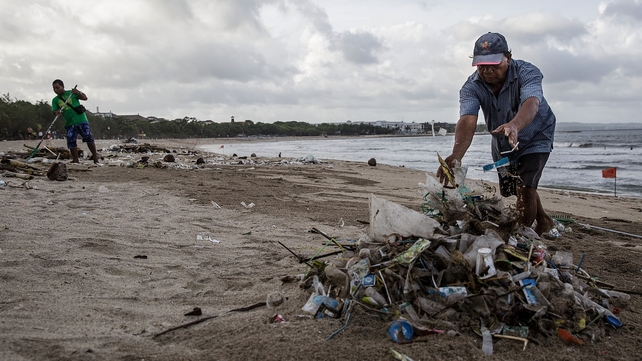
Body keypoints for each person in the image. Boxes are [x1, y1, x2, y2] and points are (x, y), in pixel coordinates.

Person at [437, 32, 556, 236]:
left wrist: (515, 125)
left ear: (507, 58)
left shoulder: (528, 72)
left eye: (494, 64)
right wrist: (456, 155)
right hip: (502, 139)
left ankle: (521, 234)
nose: (488, 70)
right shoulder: (471, 87)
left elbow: (532, 102)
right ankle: (544, 220)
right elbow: (468, 120)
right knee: (514, 184)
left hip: (537, 132)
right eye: (482, 66)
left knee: (525, 185)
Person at [51, 79, 99, 164]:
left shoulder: (72, 93)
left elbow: (85, 98)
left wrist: (78, 92)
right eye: (54, 88)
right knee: (71, 141)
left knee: (88, 138)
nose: (56, 90)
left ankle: (95, 157)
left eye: (57, 87)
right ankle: (75, 159)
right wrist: (56, 112)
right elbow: (54, 111)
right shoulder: (55, 100)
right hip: (69, 123)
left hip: (81, 120)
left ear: (63, 86)